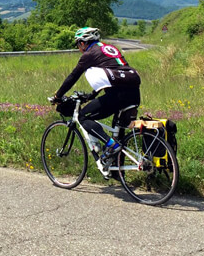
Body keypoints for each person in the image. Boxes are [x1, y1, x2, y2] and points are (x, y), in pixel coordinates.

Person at [50, 27, 141, 171]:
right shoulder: (110, 48)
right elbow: (112, 73)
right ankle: (117, 173)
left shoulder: (89, 54)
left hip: (118, 95)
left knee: (82, 117)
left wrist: (58, 96)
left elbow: (73, 76)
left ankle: (111, 145)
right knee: (119, 131)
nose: (79, 48)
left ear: (82, 43)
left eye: (78, 45)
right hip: (134, 93)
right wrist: (92, 95)